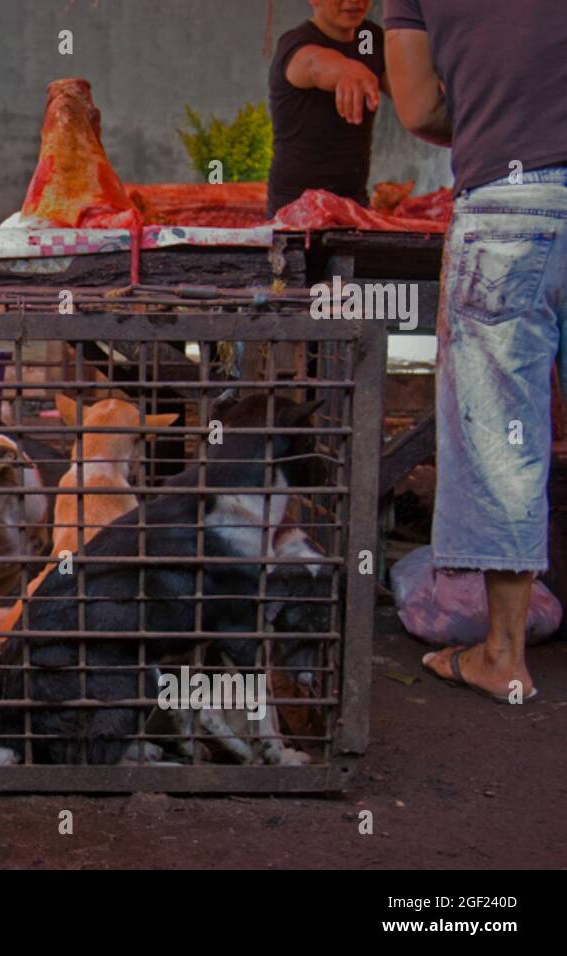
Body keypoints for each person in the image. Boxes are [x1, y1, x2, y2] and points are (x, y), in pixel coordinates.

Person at [385, 0, 567, 703]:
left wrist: (506, 116)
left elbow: (422, 107)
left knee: (500, 435)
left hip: (509, 199)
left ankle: (503, 654)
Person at [267, 0, 387, 217]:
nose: (354, 1)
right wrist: (347, 69)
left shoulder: (368, 38)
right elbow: (316, 64)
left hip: (355, 205)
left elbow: (408, 88)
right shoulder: (295, 44)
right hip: (296, 210)